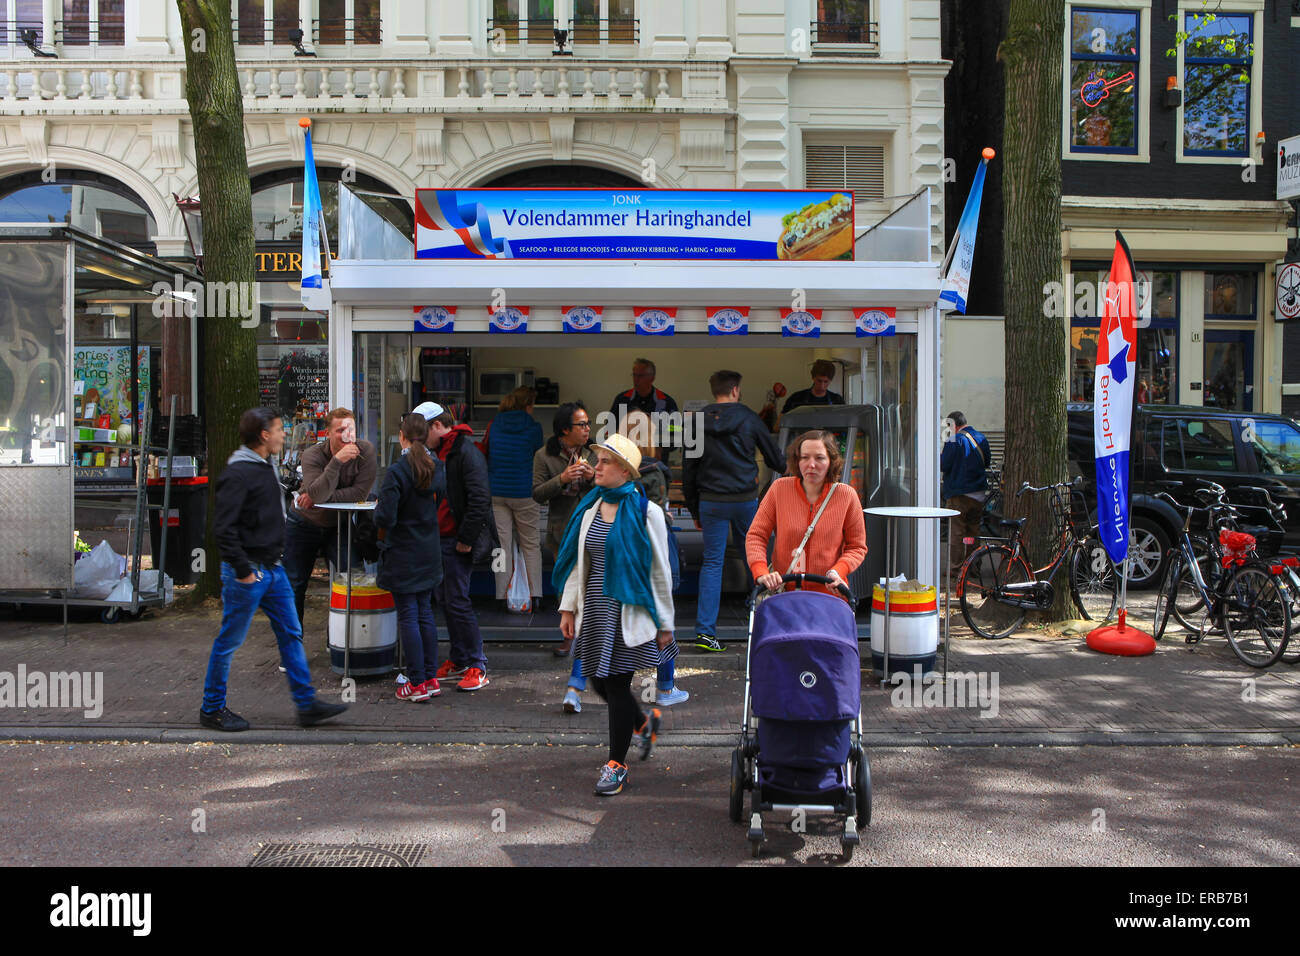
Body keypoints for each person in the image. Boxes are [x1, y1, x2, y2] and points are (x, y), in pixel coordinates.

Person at [200, 407, 349, 731]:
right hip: (250, 572)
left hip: (272, 570)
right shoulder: (239, 473)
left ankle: (306, 704)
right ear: (264, 435)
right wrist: (243, 570)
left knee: (291, 633)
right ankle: (211, 708)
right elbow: (224, 529)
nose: (284, 434)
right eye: (280, 429)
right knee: (229, 640)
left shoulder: (264, 466)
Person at [555, 433, 675, 796]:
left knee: (618, 686)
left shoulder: (646, 512)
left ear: (625, 470)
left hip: (628, 610)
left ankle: (616, 765)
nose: (598, 466)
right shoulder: (591, 506)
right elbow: (580, 562)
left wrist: (665, 622)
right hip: (595, 607)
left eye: (606, 461)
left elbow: (659, 569)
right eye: (599, 459)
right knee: (597, 681)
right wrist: (568, 606)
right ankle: (642, 723)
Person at [683, 370, 785, 652]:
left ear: (713, 390)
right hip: (745, 501)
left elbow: (689, 470)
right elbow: (777, 460)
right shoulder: (750, 418)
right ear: (736, 390)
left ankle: (705, 632)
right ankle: (769, 623)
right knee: (755, 558)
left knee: (712, 563)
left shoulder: (696, 422)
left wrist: (694, 509)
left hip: (711, 501)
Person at [414, 401, 494, 693]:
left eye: (423, 433)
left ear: (437, 426)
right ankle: (461, 658)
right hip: (443, 539)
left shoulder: (465, 453)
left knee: (456, 601)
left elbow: (479, 499)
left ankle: (476, 663)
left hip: (455, 540)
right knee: (447, 600)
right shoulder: (448, 451)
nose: (420, 440)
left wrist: (465, 539)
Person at [282, 407, 377, 630]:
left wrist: (319, 496)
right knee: (294, 585)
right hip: (304, 523)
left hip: (338, 524)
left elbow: (359, 494)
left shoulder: (366, 451)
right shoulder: (313, 455)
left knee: (353, 577)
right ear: (328, 433)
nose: (347, 434)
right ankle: (292, 648)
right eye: (340, 430)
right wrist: (336, 462)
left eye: (351, 429)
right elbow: (316, 495)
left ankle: (343, 641)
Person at [532, 402, 599, 714]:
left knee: (590, 587)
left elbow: (604, 488)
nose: (587, 429)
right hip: (562, 531)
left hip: (593, 529)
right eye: (581, 425)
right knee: (567, 584)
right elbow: (536, 493)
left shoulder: (595, 453)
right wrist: (562, 478)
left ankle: (586, 644)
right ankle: (568, 636)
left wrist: (588, 477)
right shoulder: (544, 455)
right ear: (564, 430)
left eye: (587, 424)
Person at [374, 413, 445, 702]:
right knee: (425, 613)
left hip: (403, 551)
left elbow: (385, 517)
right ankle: (430, 677)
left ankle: (415, 682)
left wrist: (378, 508)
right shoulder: (435, 466)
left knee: (408, 616)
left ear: (402, 436)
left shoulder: (397, 472)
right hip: (428, 550)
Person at [747, 430, 867, 598]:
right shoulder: (779, 489)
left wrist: (838, 570)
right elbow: (756, 536)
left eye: (819, 458)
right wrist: (761, 572)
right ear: (797, 460)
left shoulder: (846, 496)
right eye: (804, 457)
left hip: (829, 596)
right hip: (784, 594)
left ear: (832, 461)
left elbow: (857, 546)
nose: (811, 464)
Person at [622, 411, 687, 706]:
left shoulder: (617, 472)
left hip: (626, 551)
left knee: (618, 618)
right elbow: (657, 512)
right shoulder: (657, 470)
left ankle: (583, 684)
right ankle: (664, 687)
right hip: (654, 550)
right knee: (663, 613)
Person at [485, 386, 545, 611]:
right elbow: (538, 457)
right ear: (527, 405)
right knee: (530, 544)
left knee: (501, 546)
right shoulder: (533, 428)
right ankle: (536, 595)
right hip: (525, 493)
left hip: (497, 492)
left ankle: (501, 596)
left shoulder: (494, 424)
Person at [940, 410, 991, 577]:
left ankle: (956, 569)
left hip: (958, 495)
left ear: (954, 425)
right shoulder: (981, 438)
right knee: (972, 533)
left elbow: (944, 465)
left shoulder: (954, 440)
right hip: (978, 494)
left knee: (957, 533)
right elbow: (987, 461)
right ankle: (973, 565)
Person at [609, 357, 679, 425]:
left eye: (640, 376)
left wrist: (659, 426)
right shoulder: (622, 399)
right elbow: (608, 429)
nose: (636, 379)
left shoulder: (667, 402)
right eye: (634, 375)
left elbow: (678, 429)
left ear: (652, 378)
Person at [781, 359, 845, 415]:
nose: (822, 386)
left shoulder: (837, 401)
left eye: (826, 382)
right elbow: (777, 426)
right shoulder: (795, 399)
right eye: (819, 381)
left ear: (831, 380)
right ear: (813, 377)